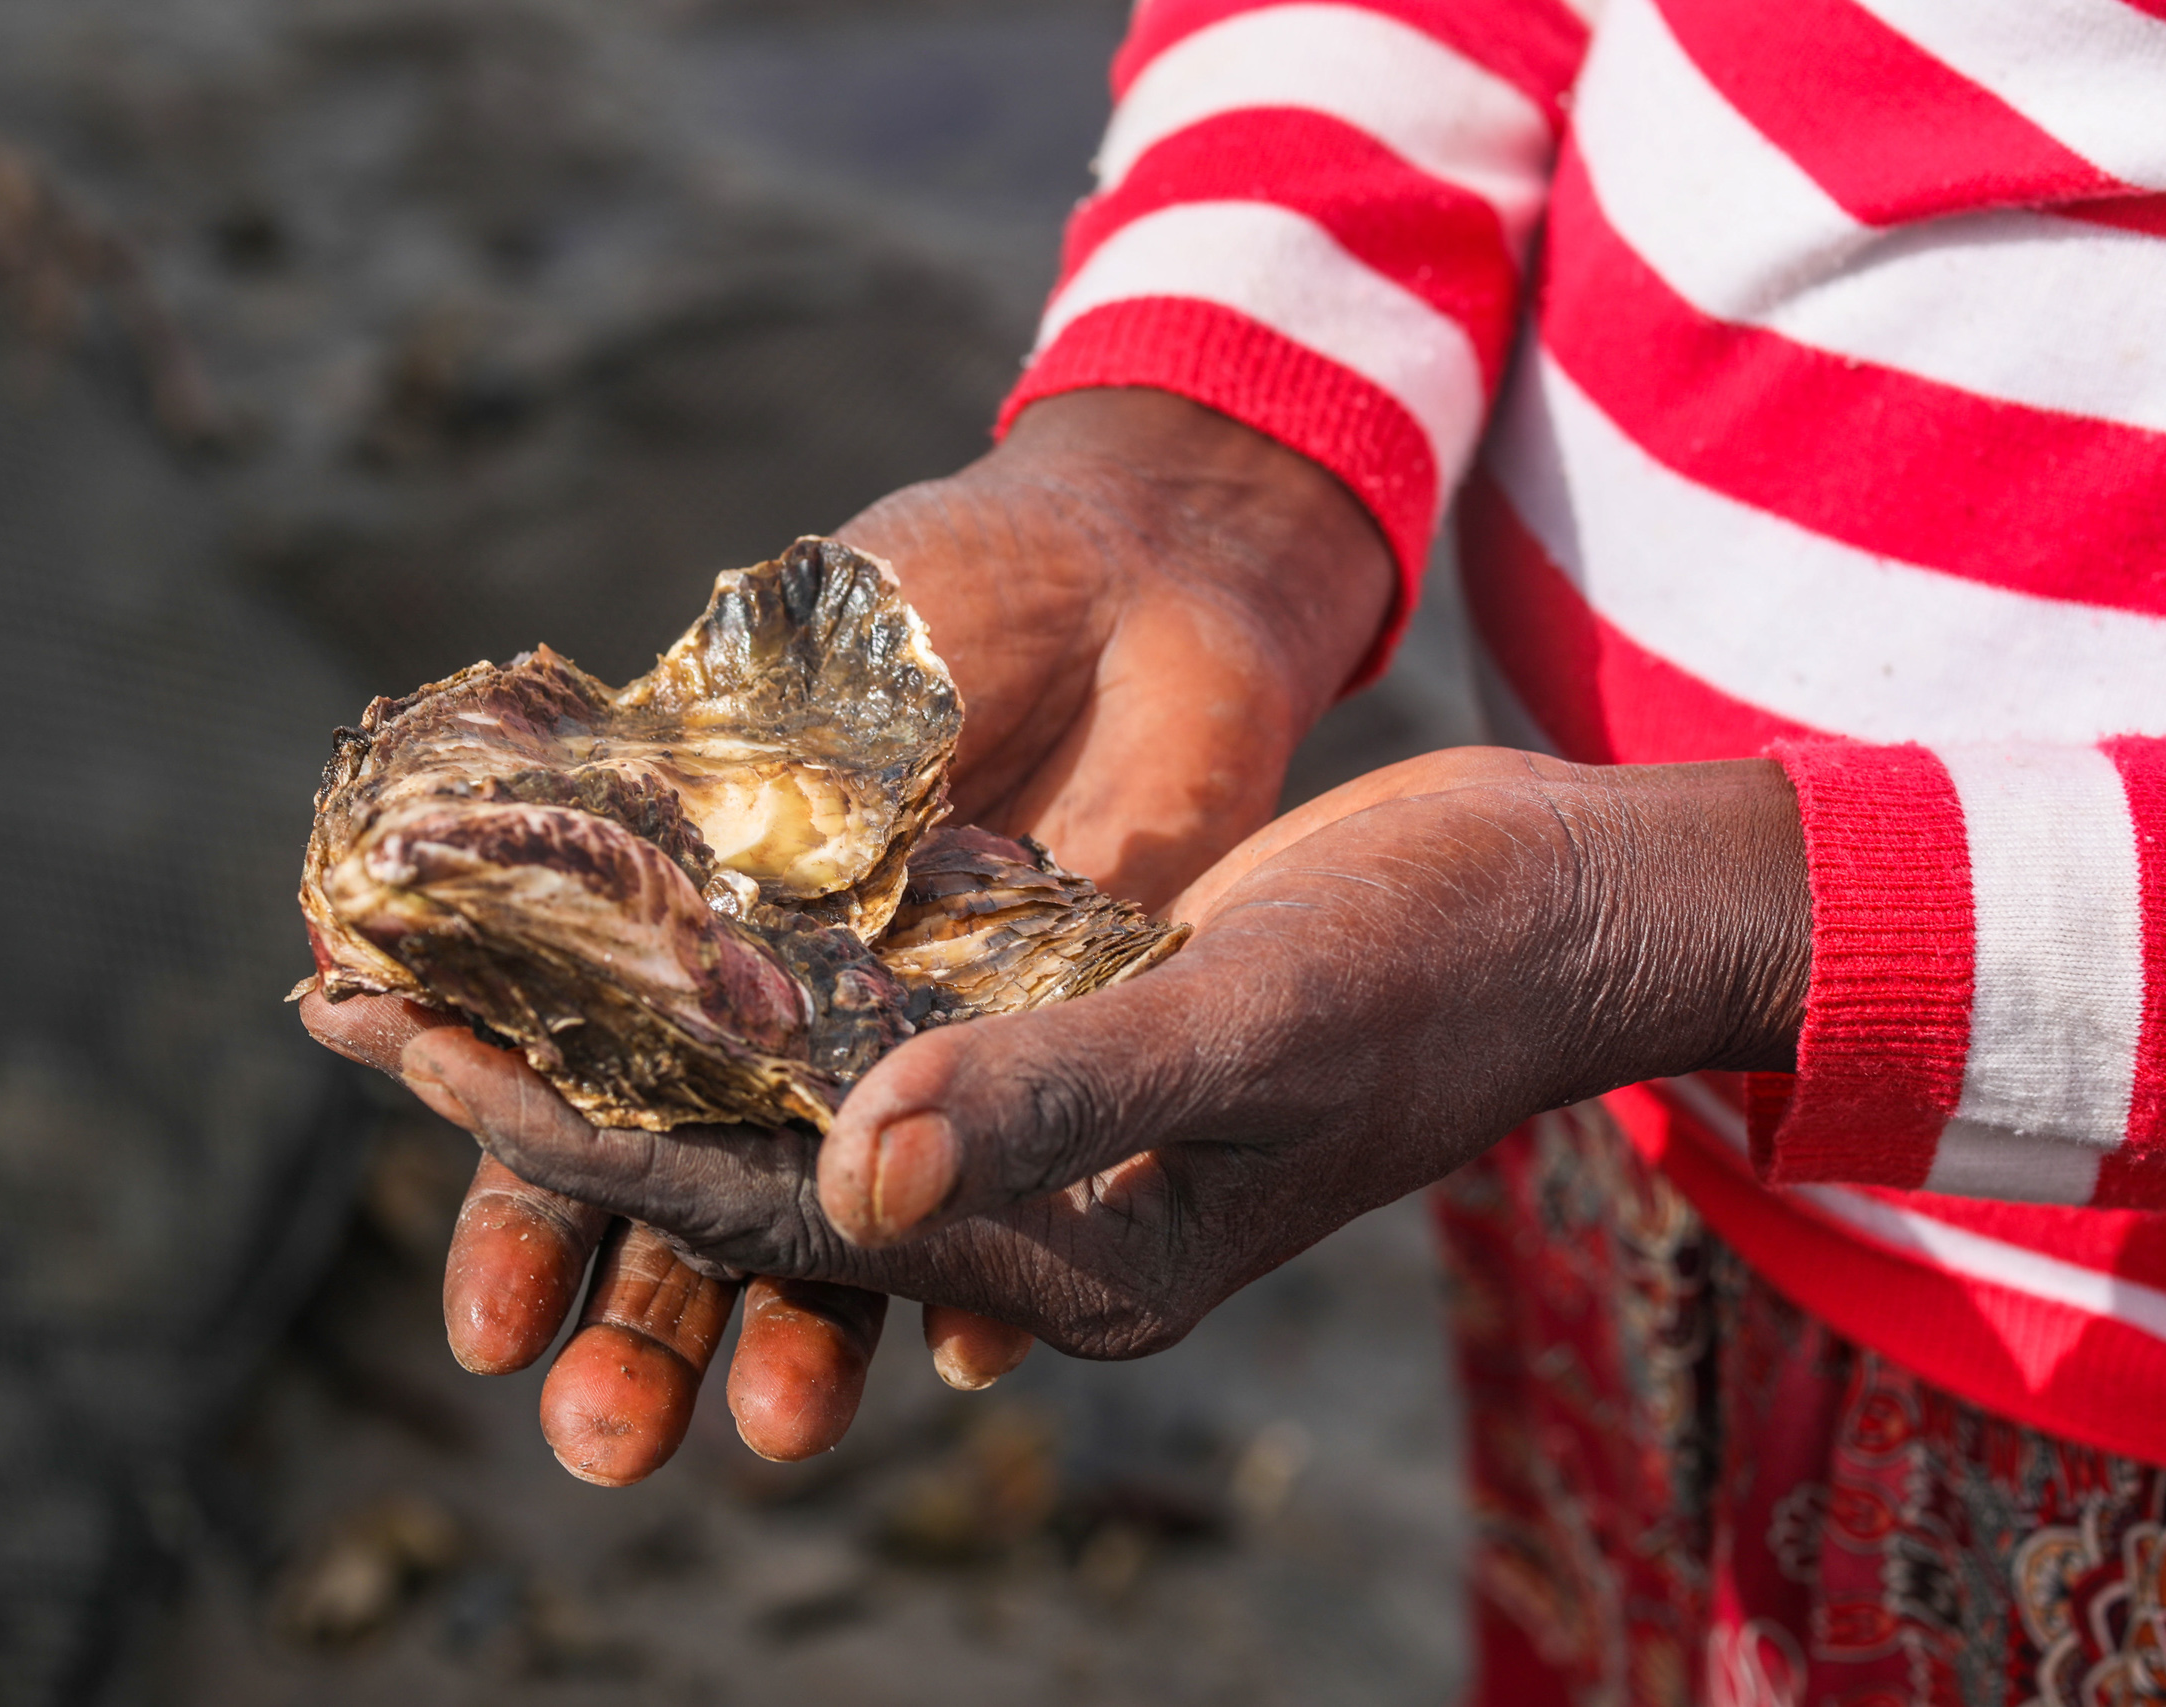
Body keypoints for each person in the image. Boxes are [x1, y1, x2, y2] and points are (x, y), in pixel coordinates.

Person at [309, 0, 2166, 1697]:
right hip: (1632, 1148)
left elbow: (1632, 936)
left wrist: (1729, 929)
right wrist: (1213, 449)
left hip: (2098, 1363)